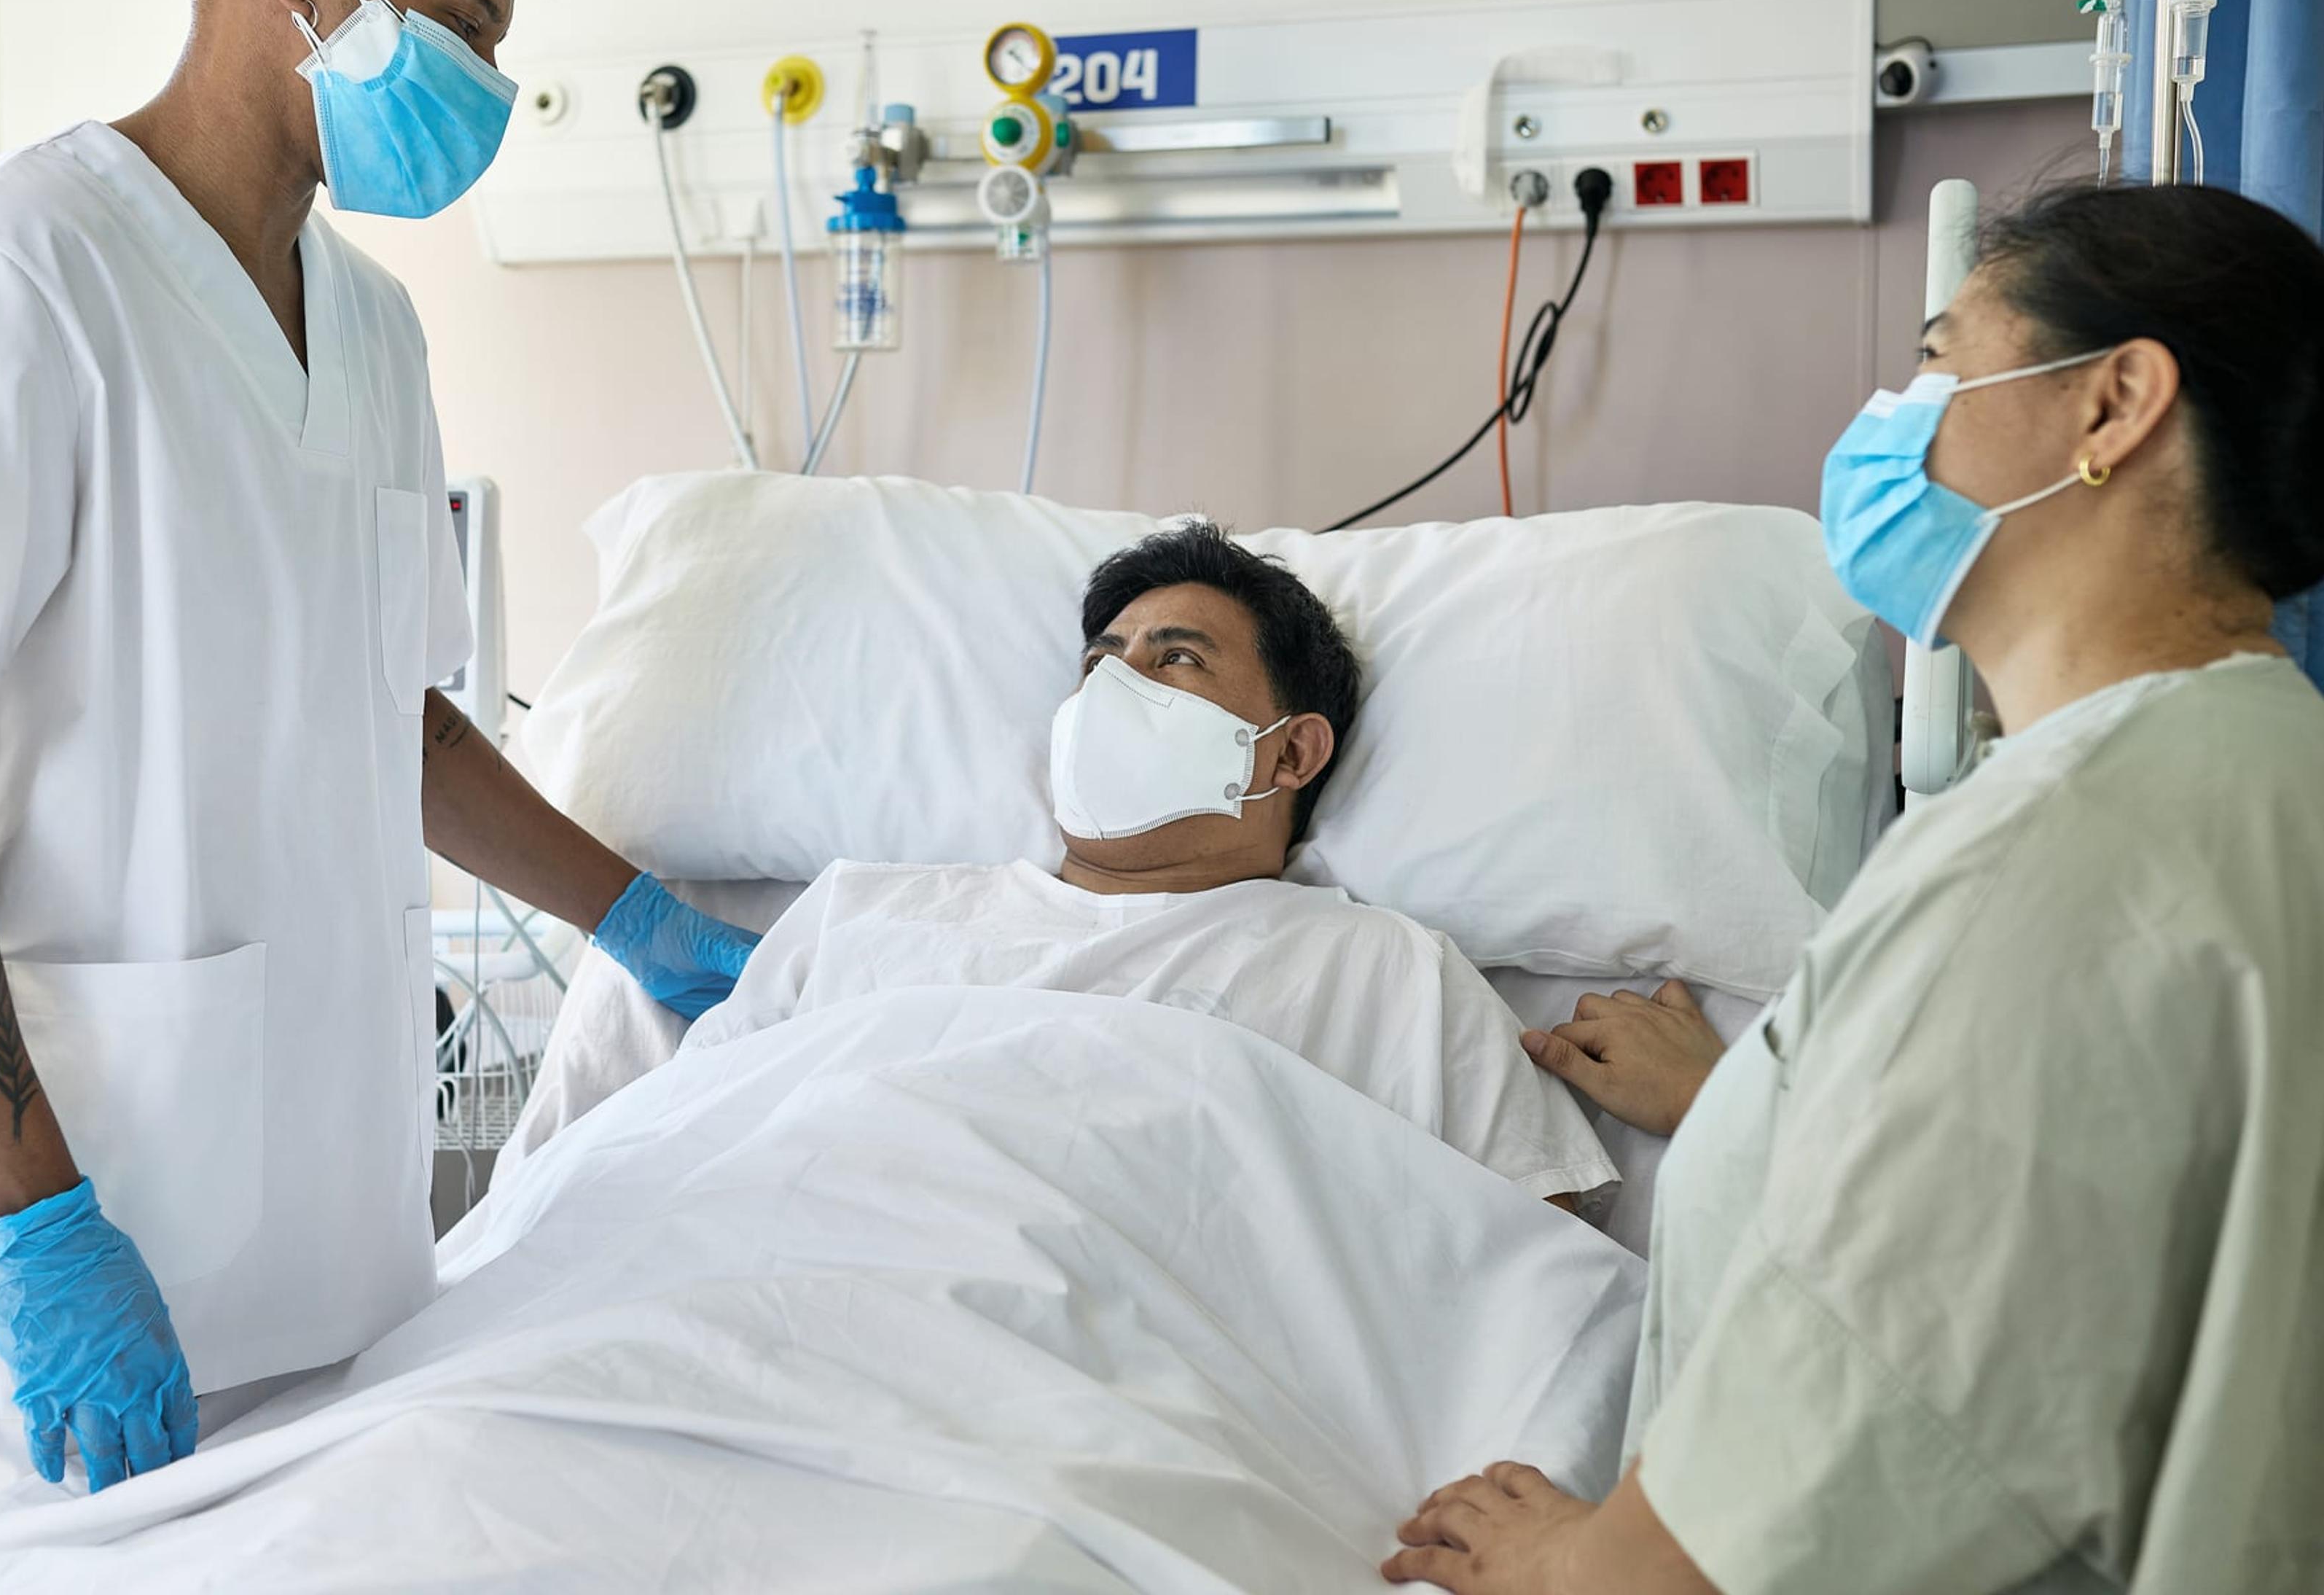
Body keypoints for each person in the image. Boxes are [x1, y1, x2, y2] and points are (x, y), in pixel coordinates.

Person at [0, 0, 754, 1593]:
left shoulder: (369, 328)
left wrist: (644, 923)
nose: (487, 93)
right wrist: (37, 1218)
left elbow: (392, 709)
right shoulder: (11, 279)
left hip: (312, 1240)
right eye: (459, 28)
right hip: (35, 1245)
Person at [1382, 182, 2324, 1594]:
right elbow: (2070, 1189)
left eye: (1943, 364)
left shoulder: (2048, 858)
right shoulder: (2257, 767)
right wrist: (1761, 1102)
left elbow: (1846, 1450)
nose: (1895, 415)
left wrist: (1567, 1561)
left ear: (2113, 403)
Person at [684, 521, 1620, 1209]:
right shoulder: (863, 911)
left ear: (1290, 755)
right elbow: (678, 1144)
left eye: (1174, 660)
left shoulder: (1382, 972)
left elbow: (1537, 1264)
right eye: (1100, 665)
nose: (1117, 688)